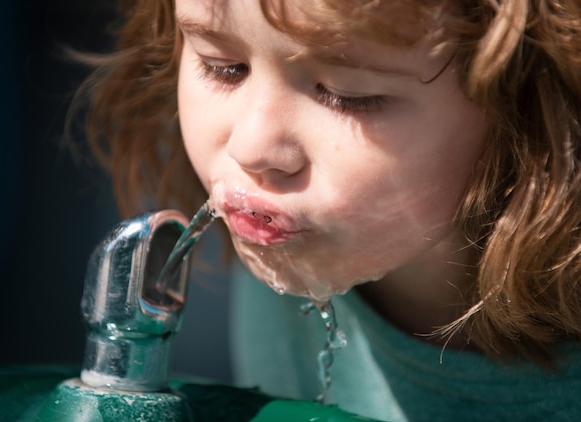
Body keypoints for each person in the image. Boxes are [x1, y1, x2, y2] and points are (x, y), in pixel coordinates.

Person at [79, 0, 581, 420]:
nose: (252, 147)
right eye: (222, 66)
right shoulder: (298, 234)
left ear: (536, 104)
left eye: (346, 95)